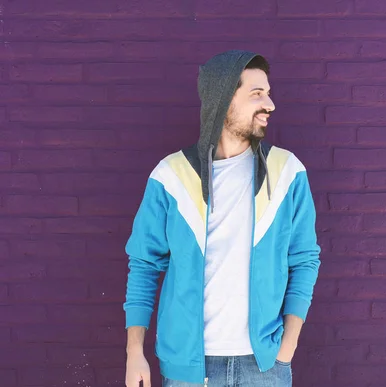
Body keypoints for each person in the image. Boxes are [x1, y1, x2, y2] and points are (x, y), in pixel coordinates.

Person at [123, 50, 321, 387]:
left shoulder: (287, 172)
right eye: (257, 94)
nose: (270, 104)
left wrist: (287, 347)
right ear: (223, 99)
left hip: (265, 366)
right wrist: (134, 352)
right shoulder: (171, 177)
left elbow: (304, 259)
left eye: (269, 93)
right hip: (188, 368)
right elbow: (143, 265)